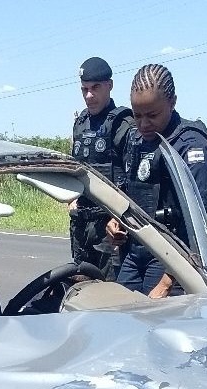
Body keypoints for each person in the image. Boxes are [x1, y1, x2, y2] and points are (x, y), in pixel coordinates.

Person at [109, 64, 207, 298]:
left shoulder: (190, 145)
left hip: (172, 261)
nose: (144, 124)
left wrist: (166, 284)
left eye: (152, 115)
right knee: (117, 315)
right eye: (137, 115)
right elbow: (126, 190)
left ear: (173, 102)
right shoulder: (135, 139)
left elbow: (197, 227)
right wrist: (115, 219)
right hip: (135, 254)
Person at [68, 57, 133, 278]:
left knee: (110, 293)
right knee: (81, 286)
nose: (89, 95)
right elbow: (74, 167)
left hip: (109, 226)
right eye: (84, 89)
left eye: (95, 88)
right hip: (81, 224)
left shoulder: (123, 123)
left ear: (110, 86)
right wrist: (70, 199)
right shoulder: (80, 123)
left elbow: (133, 178)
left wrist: (119, 218)